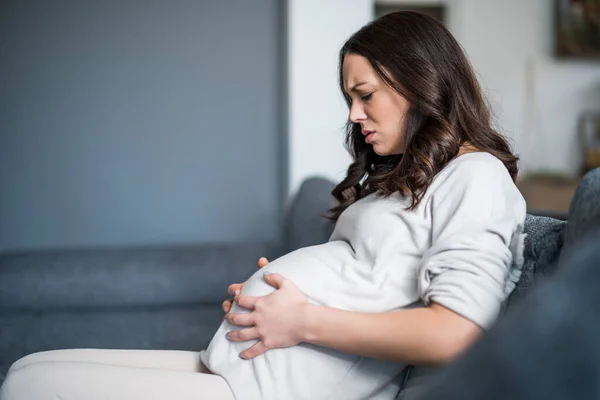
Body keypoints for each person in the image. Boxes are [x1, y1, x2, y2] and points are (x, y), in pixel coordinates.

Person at [0, 11, 526, 400]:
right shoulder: (412, 177)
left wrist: (300, 320)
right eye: (349, 98)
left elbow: (457, 333)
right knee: (27, 369)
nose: (353, 115)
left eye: (364, 95)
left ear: (419, 81)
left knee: (33, 389)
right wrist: (274, 296)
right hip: (256, 369)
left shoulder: (476, 176)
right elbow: (365, 282)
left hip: (283, 390)